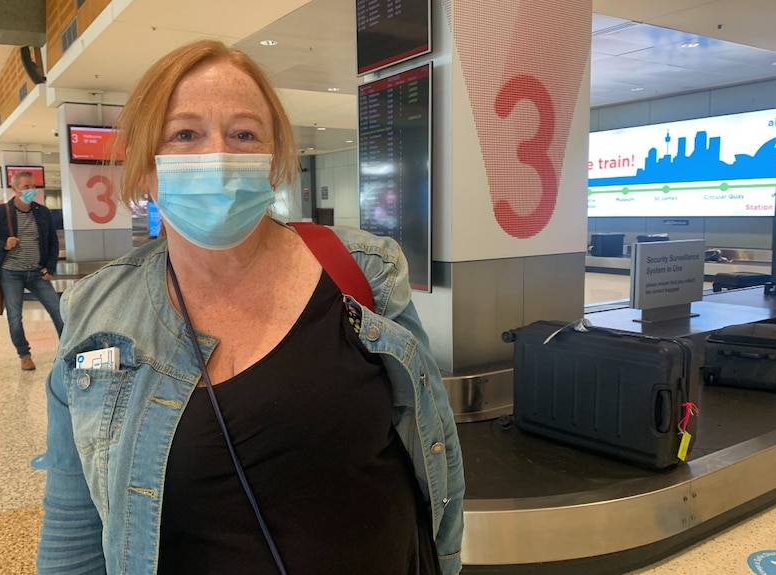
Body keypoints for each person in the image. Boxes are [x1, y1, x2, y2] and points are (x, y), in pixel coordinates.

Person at [37, 39, 465, 575]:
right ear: (147, 169)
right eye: (185, 134)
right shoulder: (97, 317)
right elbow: (72, 528)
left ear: (273, 161)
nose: (217, 155)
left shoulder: (362, 269)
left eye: (243, 134)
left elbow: (433, 447)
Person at [0, 171, 64, 370]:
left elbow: (52, 242)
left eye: (33, 186)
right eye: (25, 187)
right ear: (14, 188)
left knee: (58, 311)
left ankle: (67, 349)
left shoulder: (42, 212)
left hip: (37, 273)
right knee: (15, 316)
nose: (30, 190)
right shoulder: (0, 213)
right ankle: (24, 355)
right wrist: (3, 244)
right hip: (10, 273)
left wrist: (50, 268)